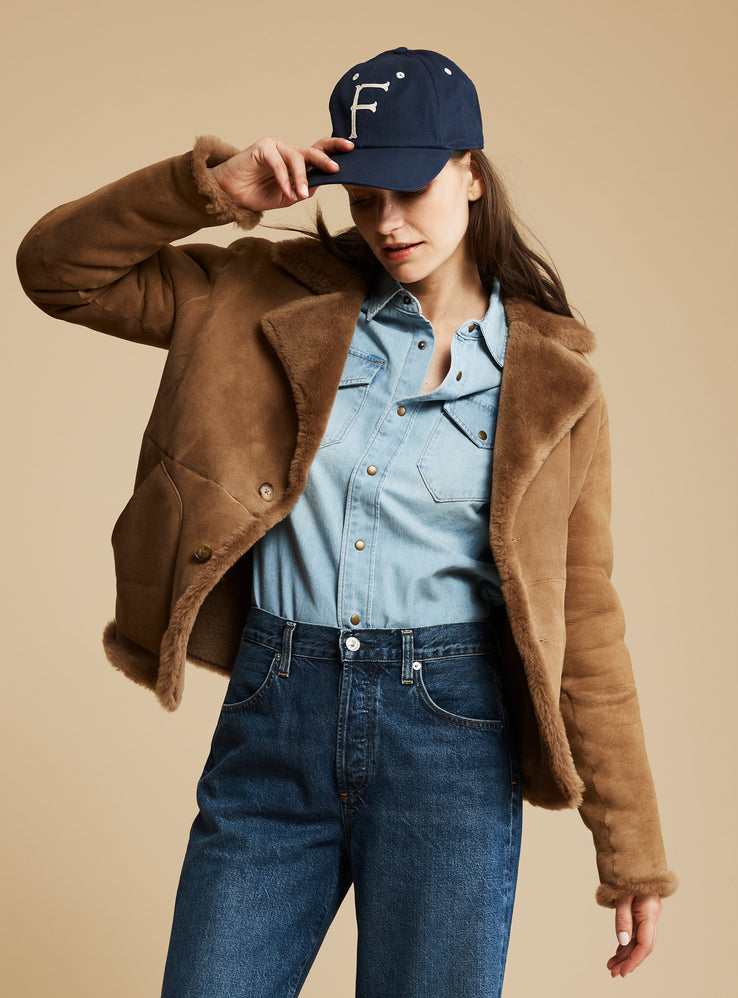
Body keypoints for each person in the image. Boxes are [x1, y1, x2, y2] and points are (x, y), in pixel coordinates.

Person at [17, 46, 677, 997]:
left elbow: (585, 617)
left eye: (411, 189)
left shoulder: (553, 387)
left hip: (451, 740)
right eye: (364, 195)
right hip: (274, 714)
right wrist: (213, 189)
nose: (387, 223)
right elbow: (56, 272)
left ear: (472, 175)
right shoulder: (256, 296)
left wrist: (633, 849)